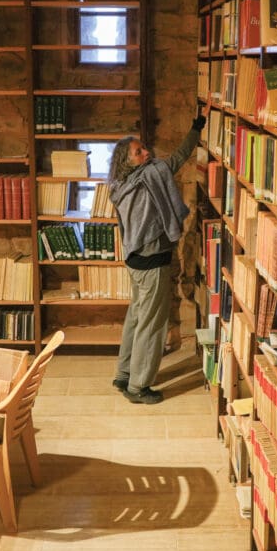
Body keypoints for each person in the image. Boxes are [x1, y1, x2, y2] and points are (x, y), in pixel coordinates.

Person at [108, 114, 206, 404]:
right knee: (152, 325)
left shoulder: (120, 186)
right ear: (130, 161)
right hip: (153, 261)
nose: (147, 152)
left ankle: (124, 373)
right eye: (140, 152)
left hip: (135, 260)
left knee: (136, 318)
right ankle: (139, 387)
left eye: (144, 148)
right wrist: (196, 129)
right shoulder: (151, 176)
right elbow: (178, 157)